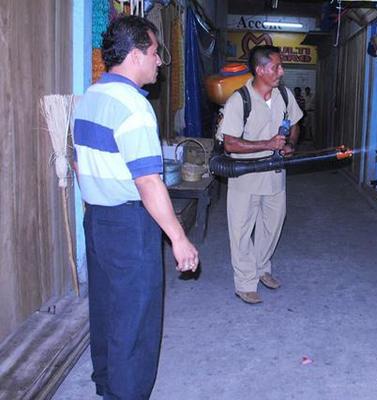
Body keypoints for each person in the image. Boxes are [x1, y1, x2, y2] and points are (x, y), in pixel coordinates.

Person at [73, 16, 199, 398]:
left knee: (107, 309)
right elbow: (148, 182)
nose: (160, 62)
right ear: (135, 55)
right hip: (129, 224)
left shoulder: (90, 97)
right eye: (156, 52)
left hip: (97, 219)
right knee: (136, 316)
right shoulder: (134, 107)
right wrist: (178, 237)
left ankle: (107, 385)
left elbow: (79, 164)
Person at [217, 45, 303, 304]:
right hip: (245, 177)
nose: (281, 71)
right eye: (276, 66)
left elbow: (296, 123)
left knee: (272, 225)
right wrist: (267, 144)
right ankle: (245, 283)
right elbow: (230, 143)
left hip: (275, 176)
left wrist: (290, 146)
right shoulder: (238, 100)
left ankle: (262, 268)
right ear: (260, 70)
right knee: (242, 231)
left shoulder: (284, 96)